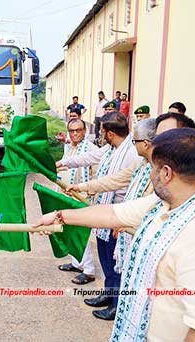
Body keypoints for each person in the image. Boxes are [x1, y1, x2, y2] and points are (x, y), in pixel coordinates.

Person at [35, 128, 195, 341]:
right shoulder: (168, 204)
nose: (149, 174)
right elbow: (113, 214)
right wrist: (59, 215)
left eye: (152, 168)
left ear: (166, 173)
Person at [58, 112, 139, 321]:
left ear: (110, 133)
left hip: (119, 213)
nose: (100, 134)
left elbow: (121, 184)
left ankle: (116, 304)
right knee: (105, 257)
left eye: (102, 131)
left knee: (117, 261)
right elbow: (89, 158)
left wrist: (121, 220)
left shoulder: (131, 153)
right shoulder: (111, 149)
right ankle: (108, 293)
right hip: (105, 210)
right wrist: (63, 163)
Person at [67, 118, 156, 277]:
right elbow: (115, 179)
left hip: (124, 217)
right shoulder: (122, 154)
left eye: (135, 141)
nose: (133, 143)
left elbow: (145, 199)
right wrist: (82, 187)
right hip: (111, 212)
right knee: (107, 260)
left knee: (119, 265)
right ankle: (109, 294)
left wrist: (123, 218)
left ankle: (115, 298)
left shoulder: (135, 156)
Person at [57, 118, 97, 285]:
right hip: (67, 195)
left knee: (82, 234)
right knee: (69, 231)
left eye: (78, 130)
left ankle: (88, 270)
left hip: (83, 197)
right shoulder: (69, 147)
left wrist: (90, 195)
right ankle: (76, 263)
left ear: (85, 131)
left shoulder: (92, 150)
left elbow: (97, 175)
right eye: (72, 131)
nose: (75, 134)